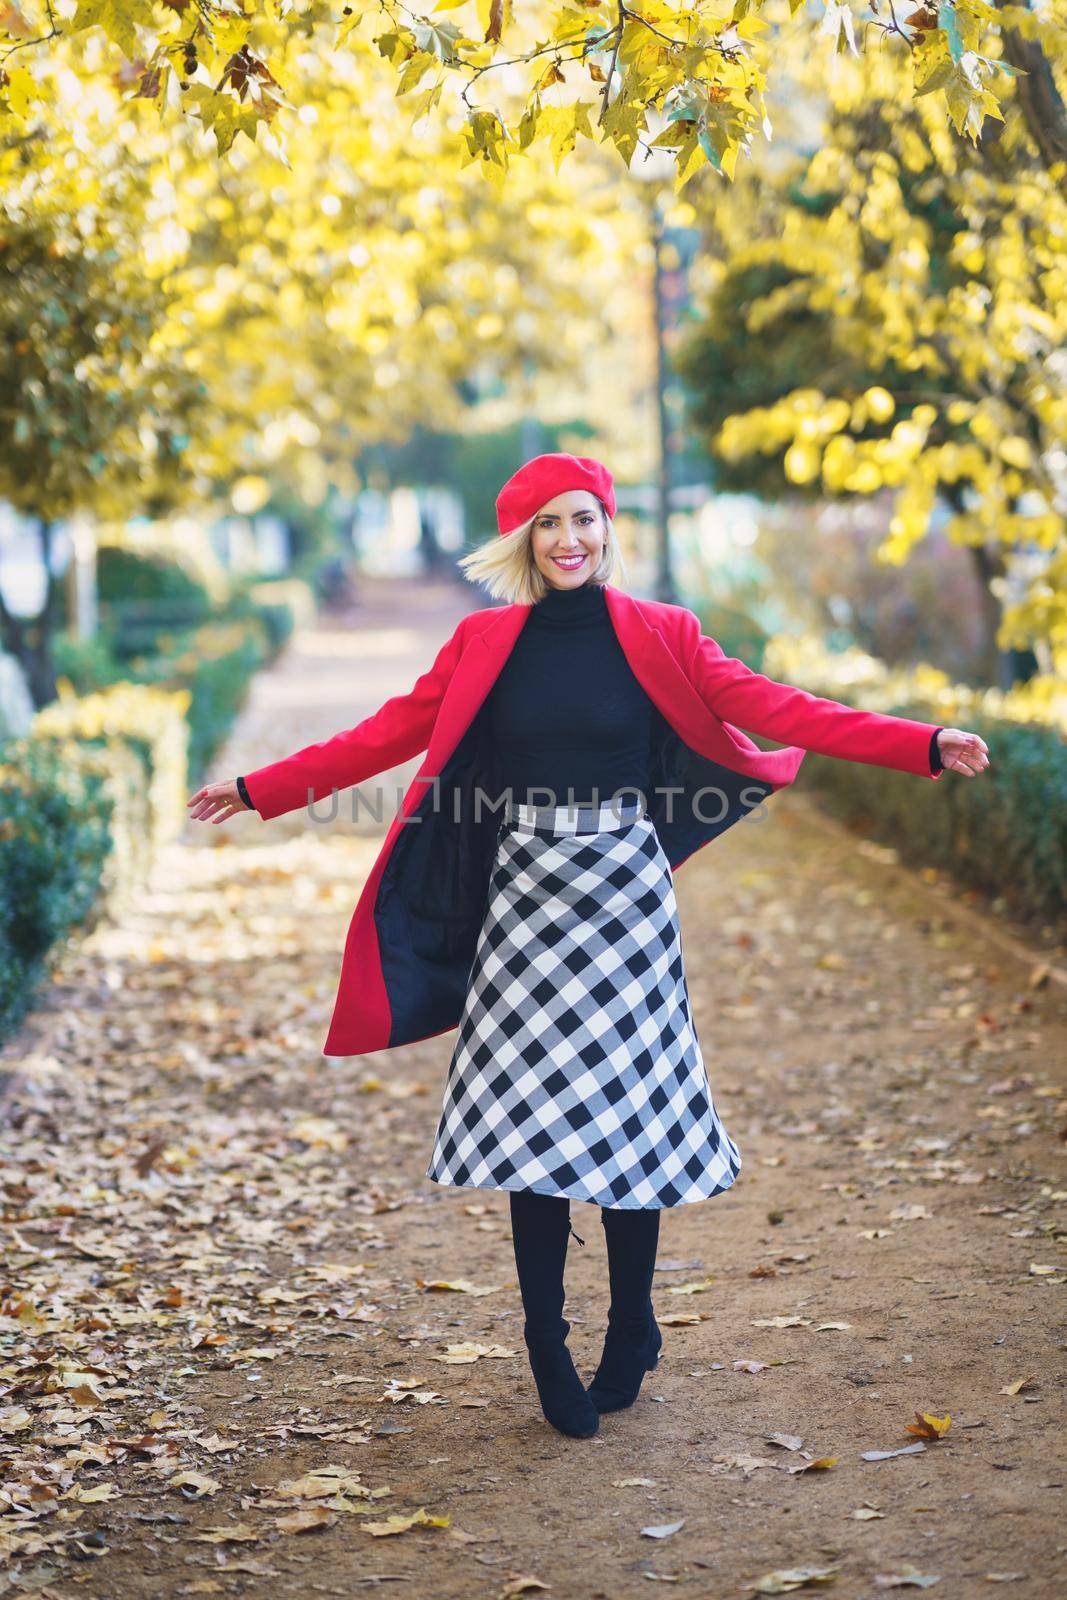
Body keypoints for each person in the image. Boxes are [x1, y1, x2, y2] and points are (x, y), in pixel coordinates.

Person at [188, 453, 991, 1441]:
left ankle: (631, 1324)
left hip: (626, 898)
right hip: (524, 896)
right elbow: (383, 733)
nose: (569, 538)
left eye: (583, 519)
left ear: (606, 526)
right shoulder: (484, 642)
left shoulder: (659, 632)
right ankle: (543, 1341)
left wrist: (918, 740)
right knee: (534, 1127)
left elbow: (777, 706)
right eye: (547, 525)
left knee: (624, 1119)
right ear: (521, 541)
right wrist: (260, 787)